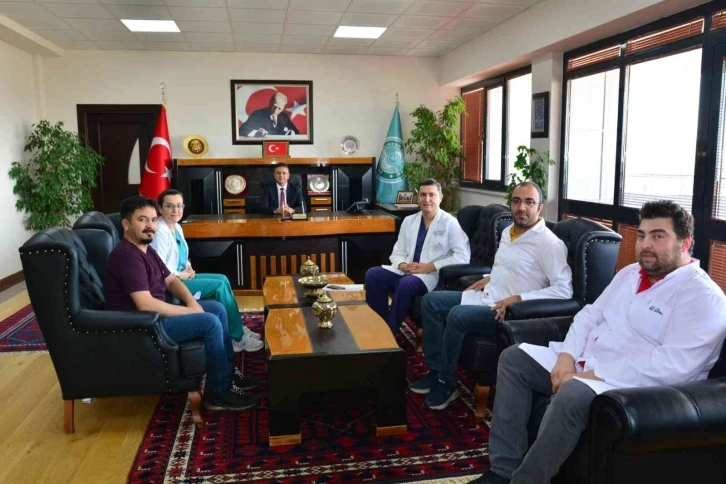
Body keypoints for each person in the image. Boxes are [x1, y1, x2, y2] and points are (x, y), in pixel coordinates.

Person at [475, 200, 726, 484]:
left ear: (685, 243)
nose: (645, 244)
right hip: (587, 363)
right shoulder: (630, 273)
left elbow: (673, 366)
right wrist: (567, 357)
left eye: (658, 236)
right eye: (641, 235)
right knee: (514, 359)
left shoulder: (702, 296)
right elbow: (589, 315)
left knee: (572, 393)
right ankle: (502, 470)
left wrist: (589, 376)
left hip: (632, 386)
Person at [410, 182, 573, 410]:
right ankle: (436, 370)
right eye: (516, 201)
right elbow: (506, 267)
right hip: (488, 295)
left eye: (529, 202)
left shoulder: (549, 244)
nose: (522, 207)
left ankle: (447, 383)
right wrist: (488, 277)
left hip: (508, 312)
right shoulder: (508, 232)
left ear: (540, 207)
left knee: (457, 315)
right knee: (431, 301)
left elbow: (564, 290)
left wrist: (519, 298)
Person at [103, 196, 261, 411]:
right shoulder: (127, 257)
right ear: (126, 224)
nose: (150, 226)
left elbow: (171, 280)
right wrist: (190, 311)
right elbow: (146, 305)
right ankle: (218, 394)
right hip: (143, 326)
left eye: (153, 220)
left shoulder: (146, 249)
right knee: (210, 322)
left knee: (217, 309)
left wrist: (191, 302)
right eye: (142, 220)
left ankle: (226, 373)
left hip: (156, 317)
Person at [151, 189, 263, 353]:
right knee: (219, 286)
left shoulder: (177, 227)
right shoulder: (159, 233)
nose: (176, 210)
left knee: (223, 279)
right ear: (160, 208)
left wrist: (187, 265)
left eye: (179, 206)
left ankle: (236, 327)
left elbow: (181, 255)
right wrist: (181, 274)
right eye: (170, 206)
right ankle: (237, 337)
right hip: (171, 284)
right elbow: (159, 269)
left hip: (182, 275)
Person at [365, 178, 471, 334]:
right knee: (373, 275)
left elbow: (463, 256)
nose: (427, 199)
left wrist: (430, 267)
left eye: (432, 195)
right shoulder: (409, 221)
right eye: (423, 195)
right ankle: (379, 325)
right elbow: (397, 252)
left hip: (432, 275)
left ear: (440, 198)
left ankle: (389, 333)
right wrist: (402, 265)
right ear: (418, 198)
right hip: (407, 270)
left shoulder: (450, 223)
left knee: (406, 284)